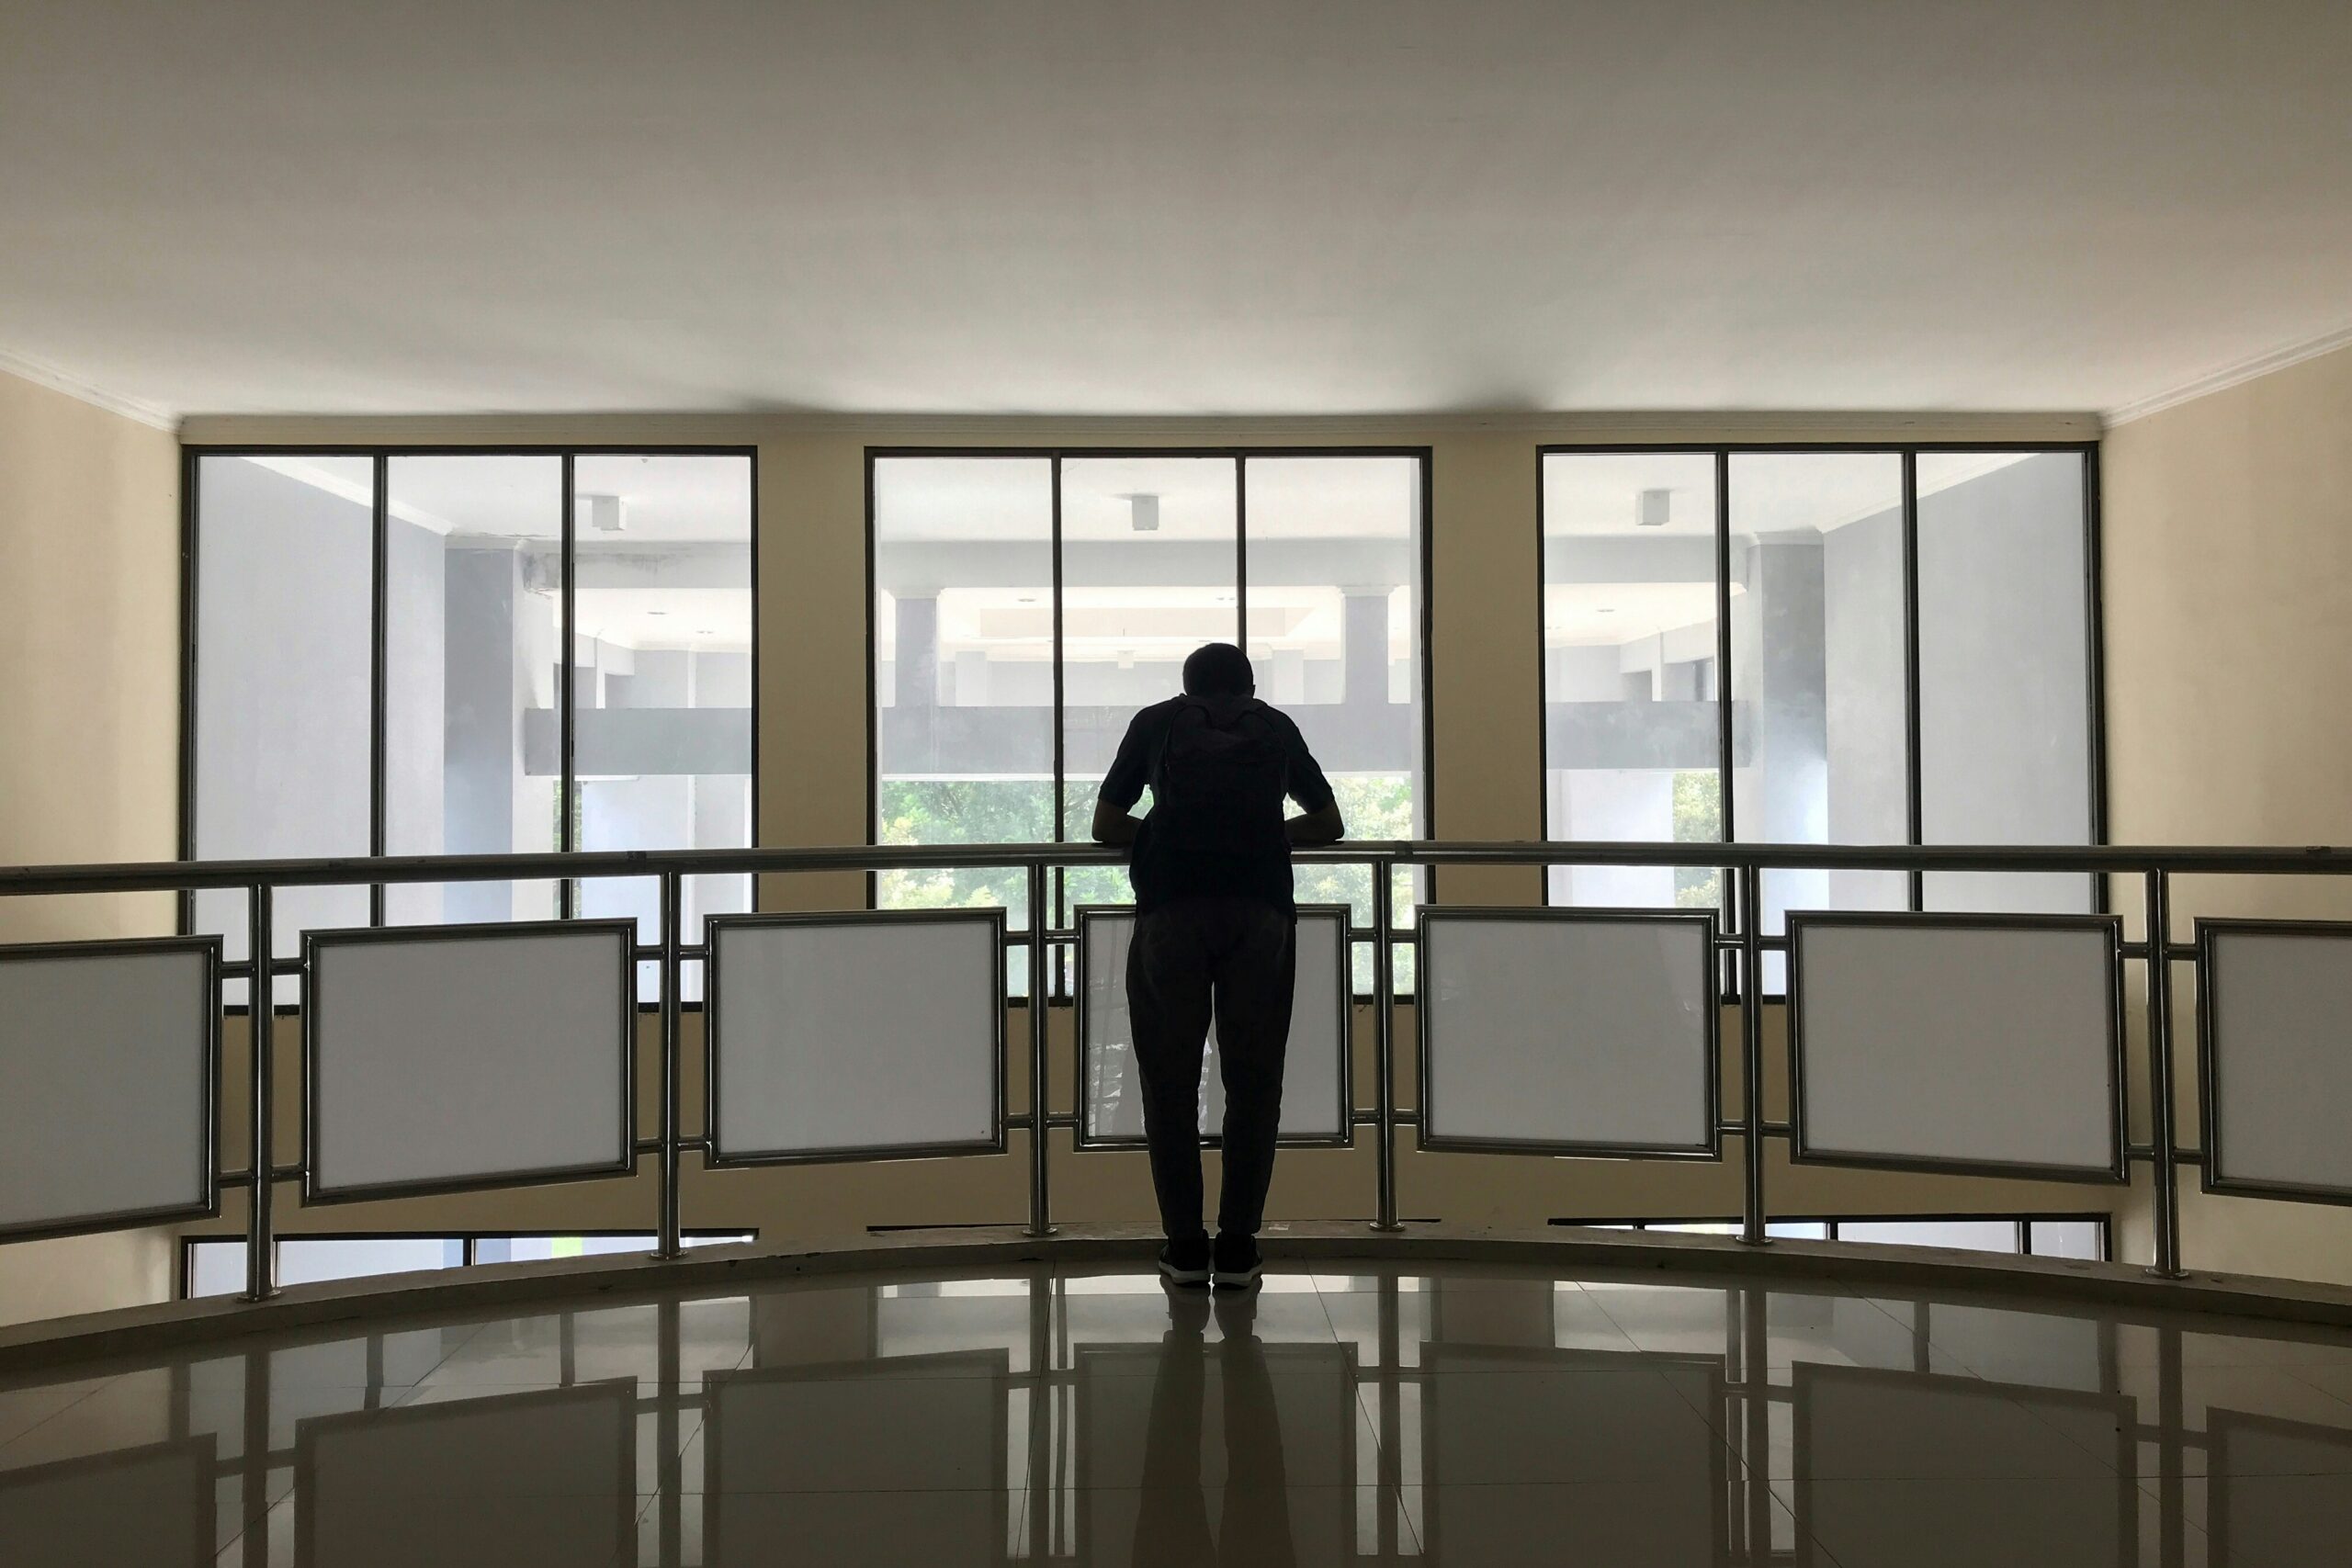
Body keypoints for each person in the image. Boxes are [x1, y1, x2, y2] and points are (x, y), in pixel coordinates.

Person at [1091, 642, 1344, 1290]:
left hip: (1170, 912)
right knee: (1254, 1083)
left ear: (1186, 689)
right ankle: (1237, 1247)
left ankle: (1183, 1246)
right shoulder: (1276, 726)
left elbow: (1105, 823)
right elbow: (1328, 822)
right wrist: (1262, 834)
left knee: (1169, 1082)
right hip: (1261, 913)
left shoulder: (1156, 722)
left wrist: (1162, 836)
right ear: (1250, 689)